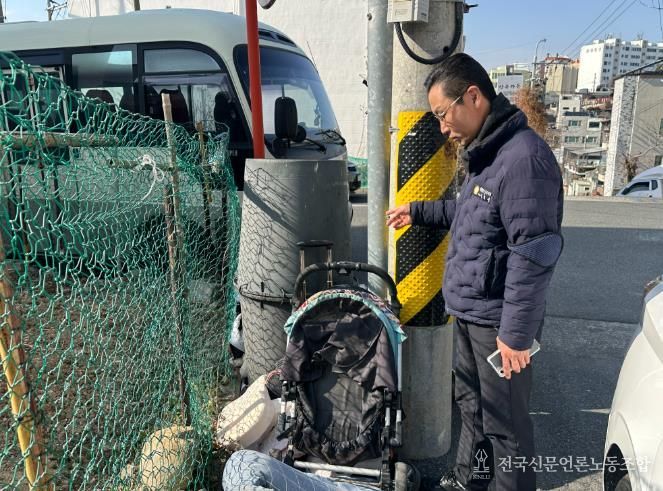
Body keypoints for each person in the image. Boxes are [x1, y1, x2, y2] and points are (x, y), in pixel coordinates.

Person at [386, 53, 563, 491]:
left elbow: (534, 252)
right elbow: (470, 213)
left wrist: (515, 335)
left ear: (473, 97)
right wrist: (417, 211)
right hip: (469, 311)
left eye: (443, 114)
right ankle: (469, 480)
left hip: (499, 323)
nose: (442, 127)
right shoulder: (488, 153)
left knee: (505, 426)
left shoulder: (523, 159)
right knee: (471, 407)